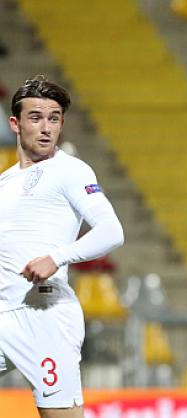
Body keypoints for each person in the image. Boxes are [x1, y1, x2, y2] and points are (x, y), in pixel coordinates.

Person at [0, 76, 125, 418]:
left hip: (46, 316)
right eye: (36, 117)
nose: (46, 127)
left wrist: (57, 257)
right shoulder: (5, 182)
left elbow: (112, 230)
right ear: (15, 123)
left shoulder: (70, 170)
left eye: (54, 118)